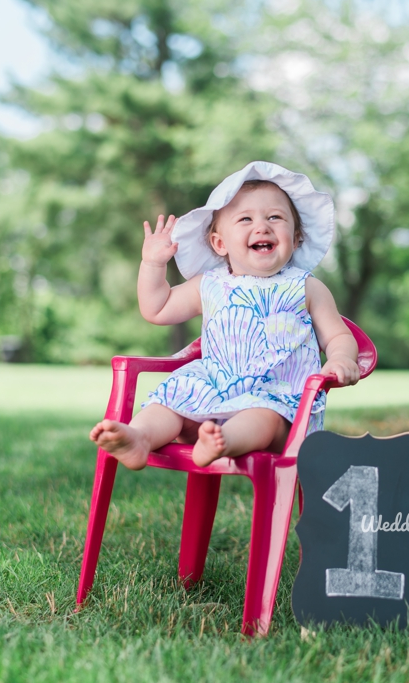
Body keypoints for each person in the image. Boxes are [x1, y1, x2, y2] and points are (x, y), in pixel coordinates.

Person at [90, 161, 360, 469]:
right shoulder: (209, 284)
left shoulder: (306, 287)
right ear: (220, 243)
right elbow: (157, 308)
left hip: (281, 404)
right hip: (213, 393)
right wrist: (152, 264)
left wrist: (341, 359)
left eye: (275, 217)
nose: (262, 226)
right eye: (245, 219)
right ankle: (140, 437)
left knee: (263, 415)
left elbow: (338, 335)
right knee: (173, 395)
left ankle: (223, 441)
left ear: (297, 238)